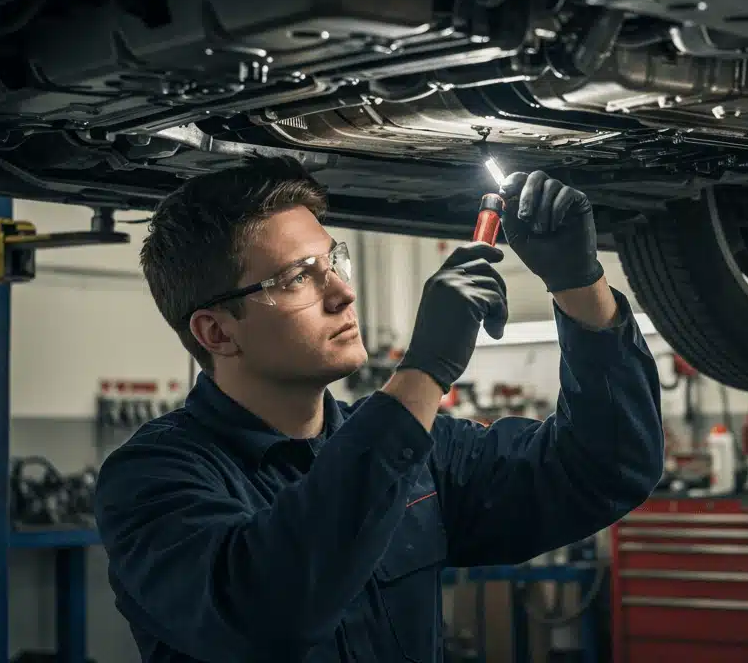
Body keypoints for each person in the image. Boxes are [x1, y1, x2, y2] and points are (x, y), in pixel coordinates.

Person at [94, 154, 664, 662]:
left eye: (331, 260)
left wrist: (578, 285)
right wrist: (424, 370)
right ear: (216, 332)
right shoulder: (154, 481)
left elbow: (606, 469)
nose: (341, 292)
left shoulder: (426, 455)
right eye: (297, 277)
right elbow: (265, 615)